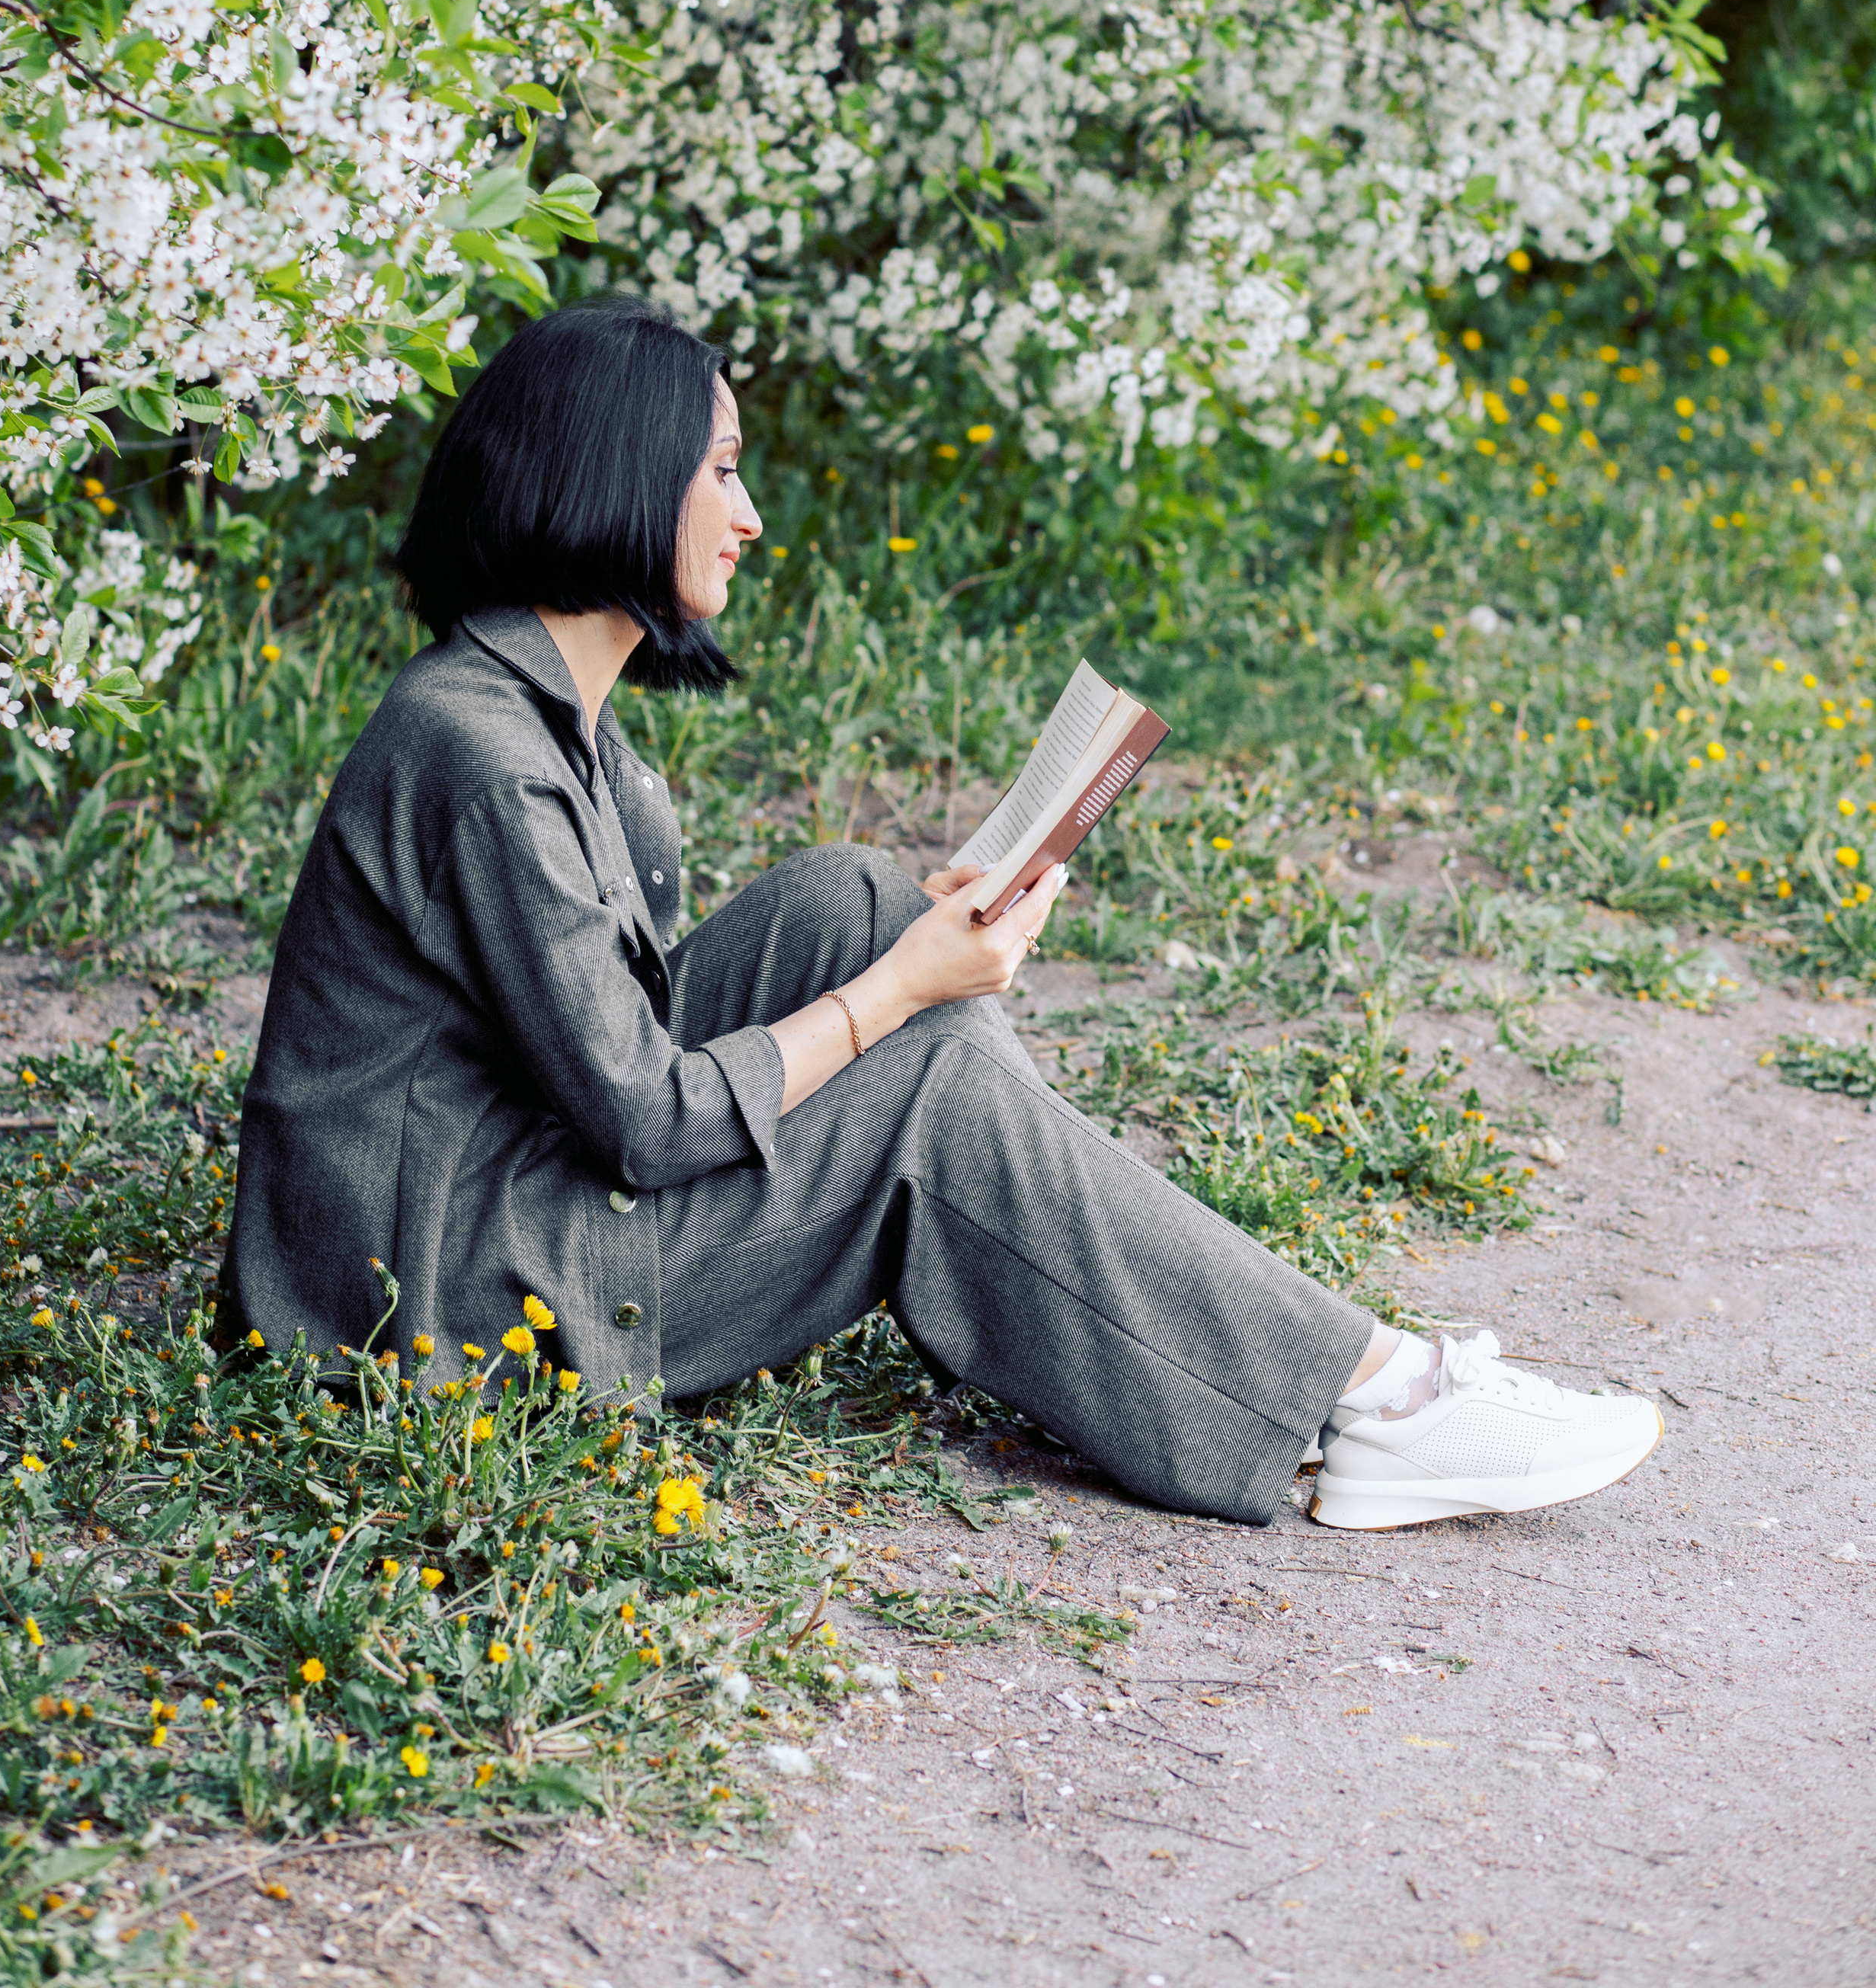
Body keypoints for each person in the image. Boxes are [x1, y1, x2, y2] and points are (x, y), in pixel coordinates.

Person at [220, 295, 1660, 1530]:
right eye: (720, 471)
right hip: (435, 1306)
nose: (752, 514)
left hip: (498, 1186)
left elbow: (609, 1039)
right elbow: (643, 1121)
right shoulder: (477, 756)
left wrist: (906, 944)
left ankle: (1125, 1310)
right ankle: (1374, 1404)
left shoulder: (558, 731)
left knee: (850, 895)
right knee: (929, 1082)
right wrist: (900, 993)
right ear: (619, 474)